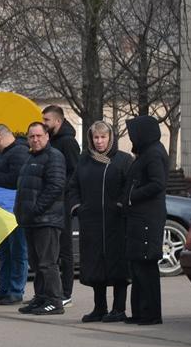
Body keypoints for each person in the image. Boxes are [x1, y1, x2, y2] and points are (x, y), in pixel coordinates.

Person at [65, 121, 132, 321]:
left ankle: (118, 309)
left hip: (116, 224)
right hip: (91, 223)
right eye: (96, 137)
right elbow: (73, 187)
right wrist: (78, 207)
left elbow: (129, 186)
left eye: (103, 137)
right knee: (95, 266)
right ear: (90, 139)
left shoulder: (123, 160)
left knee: (118, 266)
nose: (100, 141)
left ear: (110, 138)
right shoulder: (84, 160)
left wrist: (121, 205)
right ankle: (99, 308)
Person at [15, 122, 67, 316]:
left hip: (47, 219)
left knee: (47, 262)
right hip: (31, 220)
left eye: (38, 136)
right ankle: (41, 297)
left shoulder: (54, 157)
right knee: (36, 263)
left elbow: (55, 186)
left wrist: (36, 209)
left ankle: (55, 301)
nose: (35, 139)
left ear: (47, 136)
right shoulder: (31, 157)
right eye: (31, 136)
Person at [122, 115, 168, 326]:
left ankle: (151, 313)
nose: (132, 137)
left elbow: (157, 184)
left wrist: (132, 196)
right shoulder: (145, 153)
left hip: (148, 217)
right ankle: (140, 311)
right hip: (138, 217)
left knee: (146, 265)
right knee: (137, 265)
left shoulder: (154, 154)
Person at [0, 125, 30, 305]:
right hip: (3, 209)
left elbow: (17, 178)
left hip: (15, 210)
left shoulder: (19, 153)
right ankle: (4, 289)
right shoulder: (6, 153)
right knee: (4, 252)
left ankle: (16, 291)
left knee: (17, 251)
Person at [43, 104, 81, 306]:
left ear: (58, 121)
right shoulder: (52, 142)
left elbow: (75, 172)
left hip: (64, 202)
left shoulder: (67, 142)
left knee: (65, 250)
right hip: (53, 202)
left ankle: (66, 293)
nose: (44, 124)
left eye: (47, 120)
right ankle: (51, 292)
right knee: (52, 251)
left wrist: (61, 189)